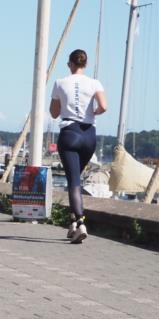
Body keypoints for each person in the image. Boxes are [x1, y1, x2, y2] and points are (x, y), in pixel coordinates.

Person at [49, 49, 108, 244]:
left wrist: (66, 104)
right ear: (85, 64)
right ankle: (73, 222)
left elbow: (54, 113)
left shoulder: (60, 83)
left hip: (69, 133)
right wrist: (94, 112)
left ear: (70, 64)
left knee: (73, 181)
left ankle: (81, 223)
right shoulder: (95, 83)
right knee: (75, 178)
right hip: (89, 135)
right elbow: (104, 106)